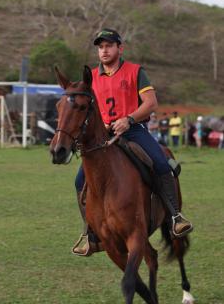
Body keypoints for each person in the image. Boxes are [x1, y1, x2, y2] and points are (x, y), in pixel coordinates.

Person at [73, 28, 193, 256]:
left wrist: (128, 119)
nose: (104, 50)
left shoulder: (135, 71)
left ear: (120, 48)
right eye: (100, 47)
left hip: (133, 129)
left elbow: (150, 103)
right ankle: (91, 234)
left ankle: (175, 216)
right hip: (104, 136)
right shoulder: (92, 78)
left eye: (109, 45)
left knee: (160, 163)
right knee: (80, 181)